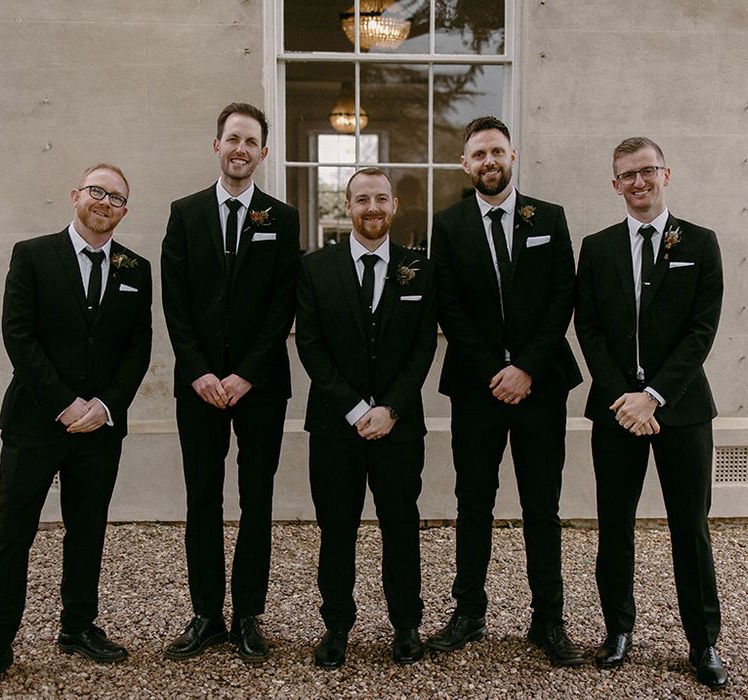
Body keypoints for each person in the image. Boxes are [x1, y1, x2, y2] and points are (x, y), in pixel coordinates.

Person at [0, 164, 152, 692]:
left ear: (124, 211)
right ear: (76, 195)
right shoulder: (32, 255)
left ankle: (78, 626)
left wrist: (104, 406)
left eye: (117, 197)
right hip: (36, 420)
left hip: (100, 427)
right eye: (97, 191)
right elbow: (19, 335)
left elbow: (137, 348)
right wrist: (64, 404)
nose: (106, 201)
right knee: (14, 531)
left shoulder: (135, 268)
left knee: (88, 528)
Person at [427, 116, 585, 666]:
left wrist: (527, 370)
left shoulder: (549, 217)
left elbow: (563, 294)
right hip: (476, 386)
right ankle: (469, 612)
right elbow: (447, 304)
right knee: (474, 502)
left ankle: (549, 620)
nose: (488, 162)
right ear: (464, 164)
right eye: (478, 154)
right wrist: (496, 369)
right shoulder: (446, 226)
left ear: (512, 155)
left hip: (541, 386)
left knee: (542, 504)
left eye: (497, 151)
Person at [575, 137, 727, 689]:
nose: (639, 183)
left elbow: (701, 331)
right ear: (615, 185)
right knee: (615, 524)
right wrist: (625, 398)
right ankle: (617, 631)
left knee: (691, 528)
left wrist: (655, 396)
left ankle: (703, 641)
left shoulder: (702, 243)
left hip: (682, 411)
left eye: (647, 171)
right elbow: (587, 328)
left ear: (666, 174)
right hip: (616, 410)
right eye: (627, 176)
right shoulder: (597, 248)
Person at [161, 103, 300, 663]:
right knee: (201, 498)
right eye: (232, 139)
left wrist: (245, 374)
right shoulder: (185, 213)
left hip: (260, 386)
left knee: (256, 498)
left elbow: (282, 305)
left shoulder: (281, 217)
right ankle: (206, 614)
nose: (240, 149)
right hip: (198, 387)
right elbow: (175, 302)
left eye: (251, 142)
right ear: (215, 145)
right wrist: (199, 371)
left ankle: (247, 614)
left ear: (263, 153)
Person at [295, 168, 437, 669]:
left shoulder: (419, 268)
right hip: (336, 426)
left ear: (395, 205)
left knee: (401, 524)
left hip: (400, 427)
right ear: (347, 208)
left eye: (380, 199)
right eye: (361, 200)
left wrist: (391, 407)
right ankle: (336, 625)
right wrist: (356, 408)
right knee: (337, 528)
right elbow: (310, 345)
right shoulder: (315, 268)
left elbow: (423, 346)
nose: (371, 208)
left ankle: (405, 624)